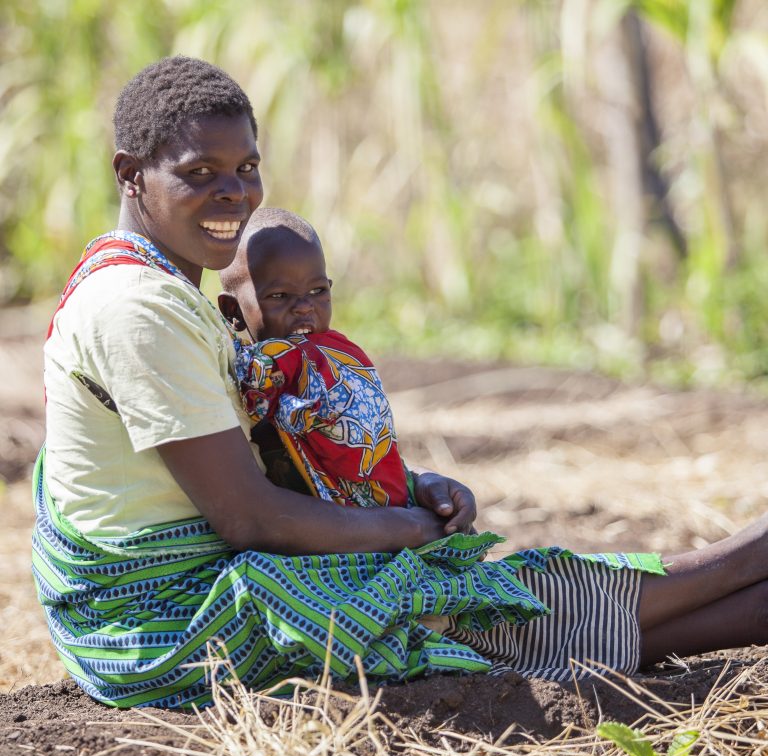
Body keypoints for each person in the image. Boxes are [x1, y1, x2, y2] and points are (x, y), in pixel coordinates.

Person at [31, 55, 768, 712]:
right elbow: (249, 517)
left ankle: (744, 591)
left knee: (472, 595)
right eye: (199, 174)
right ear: (130, 174)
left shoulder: (162, 288)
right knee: (448, 595)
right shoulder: (136, 310)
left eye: (247, 168)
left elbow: (255, 465)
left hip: (193, 587)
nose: (233, 194)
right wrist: (408, 530)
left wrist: (406, 487)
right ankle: (739, 565)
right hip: (163, 621)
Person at [218, 207, 413, 509]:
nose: (304, 307)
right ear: (233, 311)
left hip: (363, 518)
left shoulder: (334, 359)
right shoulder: (264, 361)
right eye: (280, 296)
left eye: (317, 290)